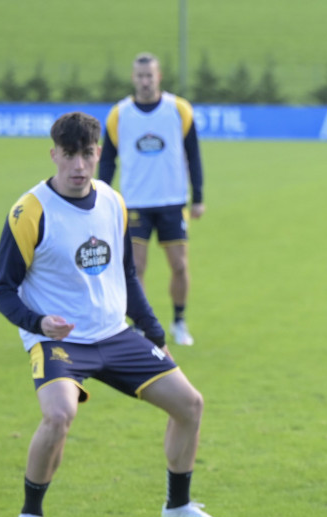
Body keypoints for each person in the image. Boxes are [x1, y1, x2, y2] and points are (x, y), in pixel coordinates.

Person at [0, 112, 226, 517]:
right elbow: (2, 290)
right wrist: (38, 322)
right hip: (59, 341)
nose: (78, 166)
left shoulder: (113, 202)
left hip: (115, 336)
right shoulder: (30, 211)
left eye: (86, 155)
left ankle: (177, 505)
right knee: (60, 415)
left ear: (99, 153)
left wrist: (153, 331)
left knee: (190, 405)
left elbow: (126, 276)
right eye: (68, 155)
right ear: (53, 155)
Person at [98, 52, 205, 346]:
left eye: (150, 76)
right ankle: (141, 326)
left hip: (172, 201)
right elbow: (107, 160)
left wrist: (198, 196)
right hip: (134, 203)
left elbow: (193, 154)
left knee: (180, 265)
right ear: (133, 78)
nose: (145, 81)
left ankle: (179, 321)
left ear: (158, 77)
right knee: (136, 268)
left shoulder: (178, 110)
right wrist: (99, 198)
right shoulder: (119, 114)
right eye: (140, 76)